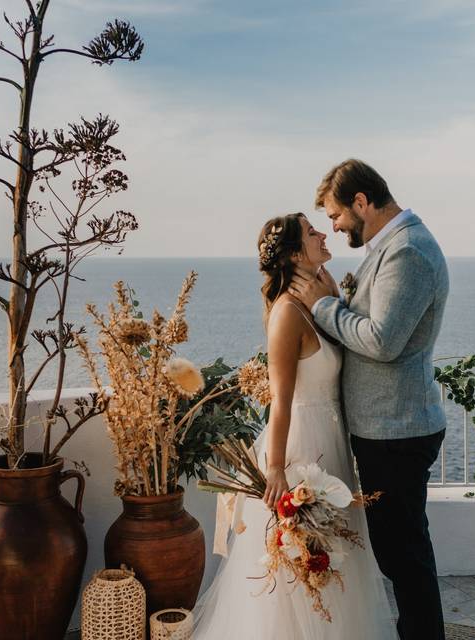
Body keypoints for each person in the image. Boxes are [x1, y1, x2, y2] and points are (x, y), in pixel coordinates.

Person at [193, 212, 398, 640]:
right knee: (301, 564)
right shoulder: (286, 313)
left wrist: (333, 299)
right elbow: (280, 402)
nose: (324, 233)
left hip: (332, 441)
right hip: (302, 445)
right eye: (311, 232)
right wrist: (276, 468)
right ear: (292, 254)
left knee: (337, 555)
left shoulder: (317, 298)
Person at [288, 159, 450, 640]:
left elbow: (383, 340)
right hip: (385, 427)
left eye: (336, 216)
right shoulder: (390, 247)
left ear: (362, 202)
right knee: (399, 553)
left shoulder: (409, 252)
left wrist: (323, 307)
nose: (334, 228)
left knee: (405, 556)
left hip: (398, 428)